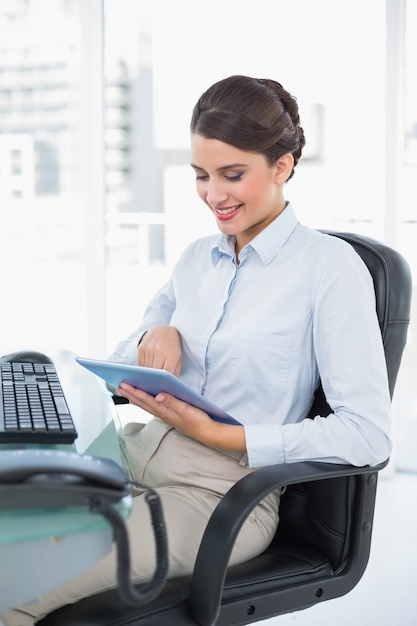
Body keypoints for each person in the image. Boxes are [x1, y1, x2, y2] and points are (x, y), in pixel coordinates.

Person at [1, 75, 392, 626]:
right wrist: (151, 336)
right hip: (133, 454)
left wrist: (220, 435)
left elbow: (367, 432)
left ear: (282, 166)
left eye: (233, 175)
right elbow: (121, 365)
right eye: (202, 176)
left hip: (217, 496)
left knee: (13, 578)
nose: (214, 195)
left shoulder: (329, 270)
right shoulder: (196, 259)